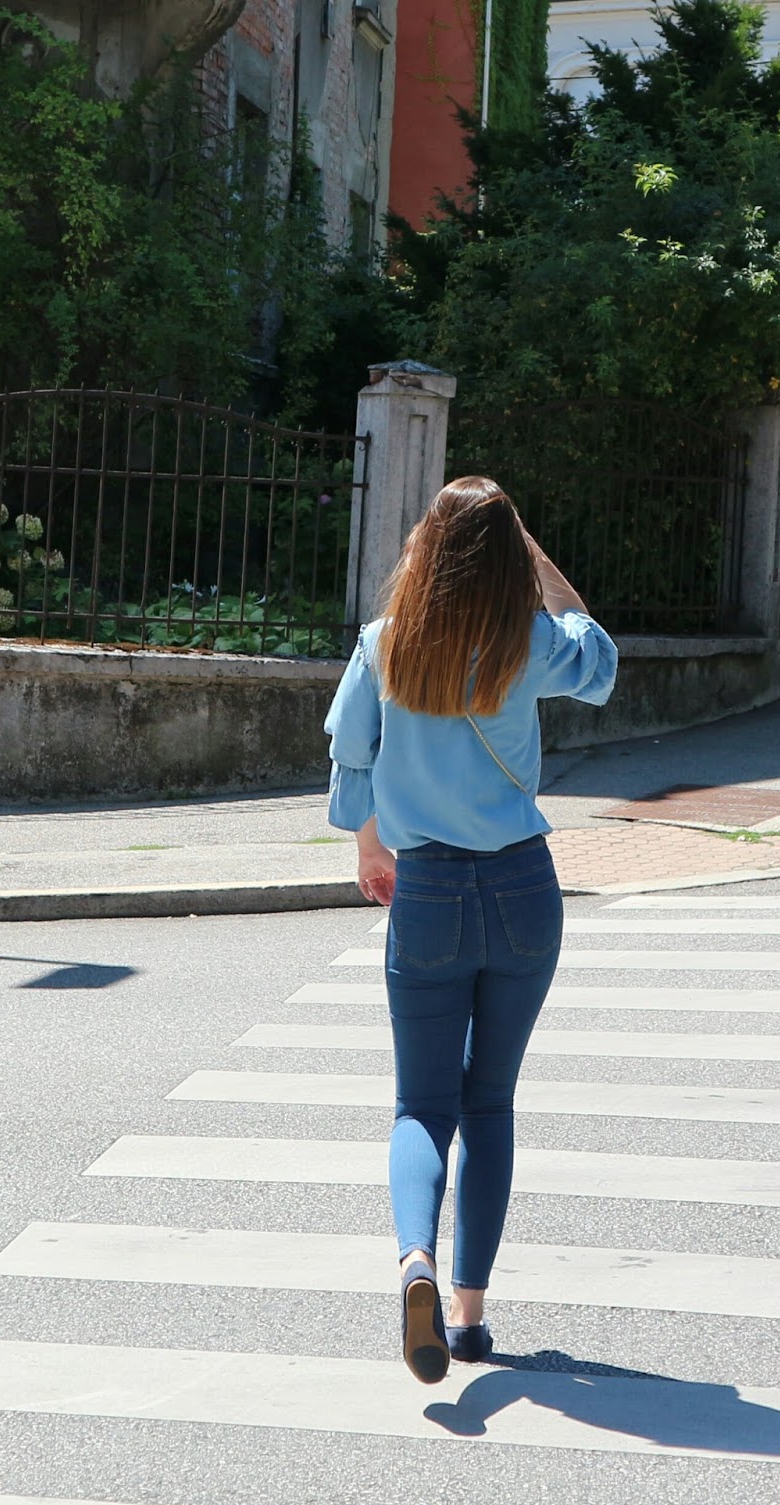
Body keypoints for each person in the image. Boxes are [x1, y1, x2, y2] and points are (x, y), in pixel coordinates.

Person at [324, 476, 617, 1385]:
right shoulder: (528, 642)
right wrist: (539, 559)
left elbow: (350, 756)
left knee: (422, 1104)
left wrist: (370, 849)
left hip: (428, 890)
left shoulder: (385, 643)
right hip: (523, 886)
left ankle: (413, 1258)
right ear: (507, 560)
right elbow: (600, 663)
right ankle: (468, 1315)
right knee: (488, 1102)